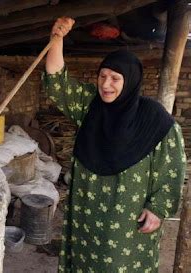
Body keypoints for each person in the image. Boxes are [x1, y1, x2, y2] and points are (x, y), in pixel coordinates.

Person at [43, 17, 186, 273]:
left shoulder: (154, 119)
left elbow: (173, 168)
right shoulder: (90, 105)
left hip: (127, 215)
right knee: (85, 261)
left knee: (120, 264)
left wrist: (158, 209)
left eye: (115, 79)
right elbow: (57, 82)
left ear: (129, 81)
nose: (106, 85)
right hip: (86, 208)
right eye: (103, 76)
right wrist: (57, 39)